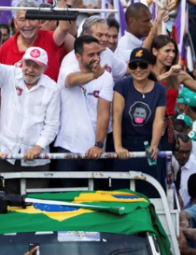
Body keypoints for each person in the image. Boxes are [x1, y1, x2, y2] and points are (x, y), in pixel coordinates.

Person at [0, 30, 61, 193]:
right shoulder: (10, 74)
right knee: (3, 199)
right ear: (22, 62)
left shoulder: (52, 88)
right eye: (28, 64)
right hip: (7, 153)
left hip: (37, 159)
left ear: (45, 68)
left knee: (35, 202)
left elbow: (52, 125)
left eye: (36, 66)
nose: (30, 69)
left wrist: (37, 147)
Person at [55, 35, 114, 177]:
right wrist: (94, 76)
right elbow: (70, 81)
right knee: (66, 192)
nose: (97, 58)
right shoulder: (67, 69)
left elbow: (103, 114)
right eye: (91, 55)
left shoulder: (106, 76)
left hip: (93, 150)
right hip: (67, 147)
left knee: (93, 192)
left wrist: (98, 145)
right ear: (78, 56)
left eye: (98, 54)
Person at [113, 48, 167, 196]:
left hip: (148, 147)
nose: (138, 69)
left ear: (150, 66)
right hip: (125, 146)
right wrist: (118, 146)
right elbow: (116, 116)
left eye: (142, 65)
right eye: (133, 65)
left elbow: (158, 120)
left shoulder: (159, 89)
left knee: (151, 194)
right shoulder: (122, 85)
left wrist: (154, 145)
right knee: (122, 194)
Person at [0, 0, 73, 80]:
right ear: (15, 23)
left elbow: (64, 27)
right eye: (22, 20)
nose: (28, 25)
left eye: (32, 19)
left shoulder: (50, 38)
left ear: (39, 21)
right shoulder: (6, 48)